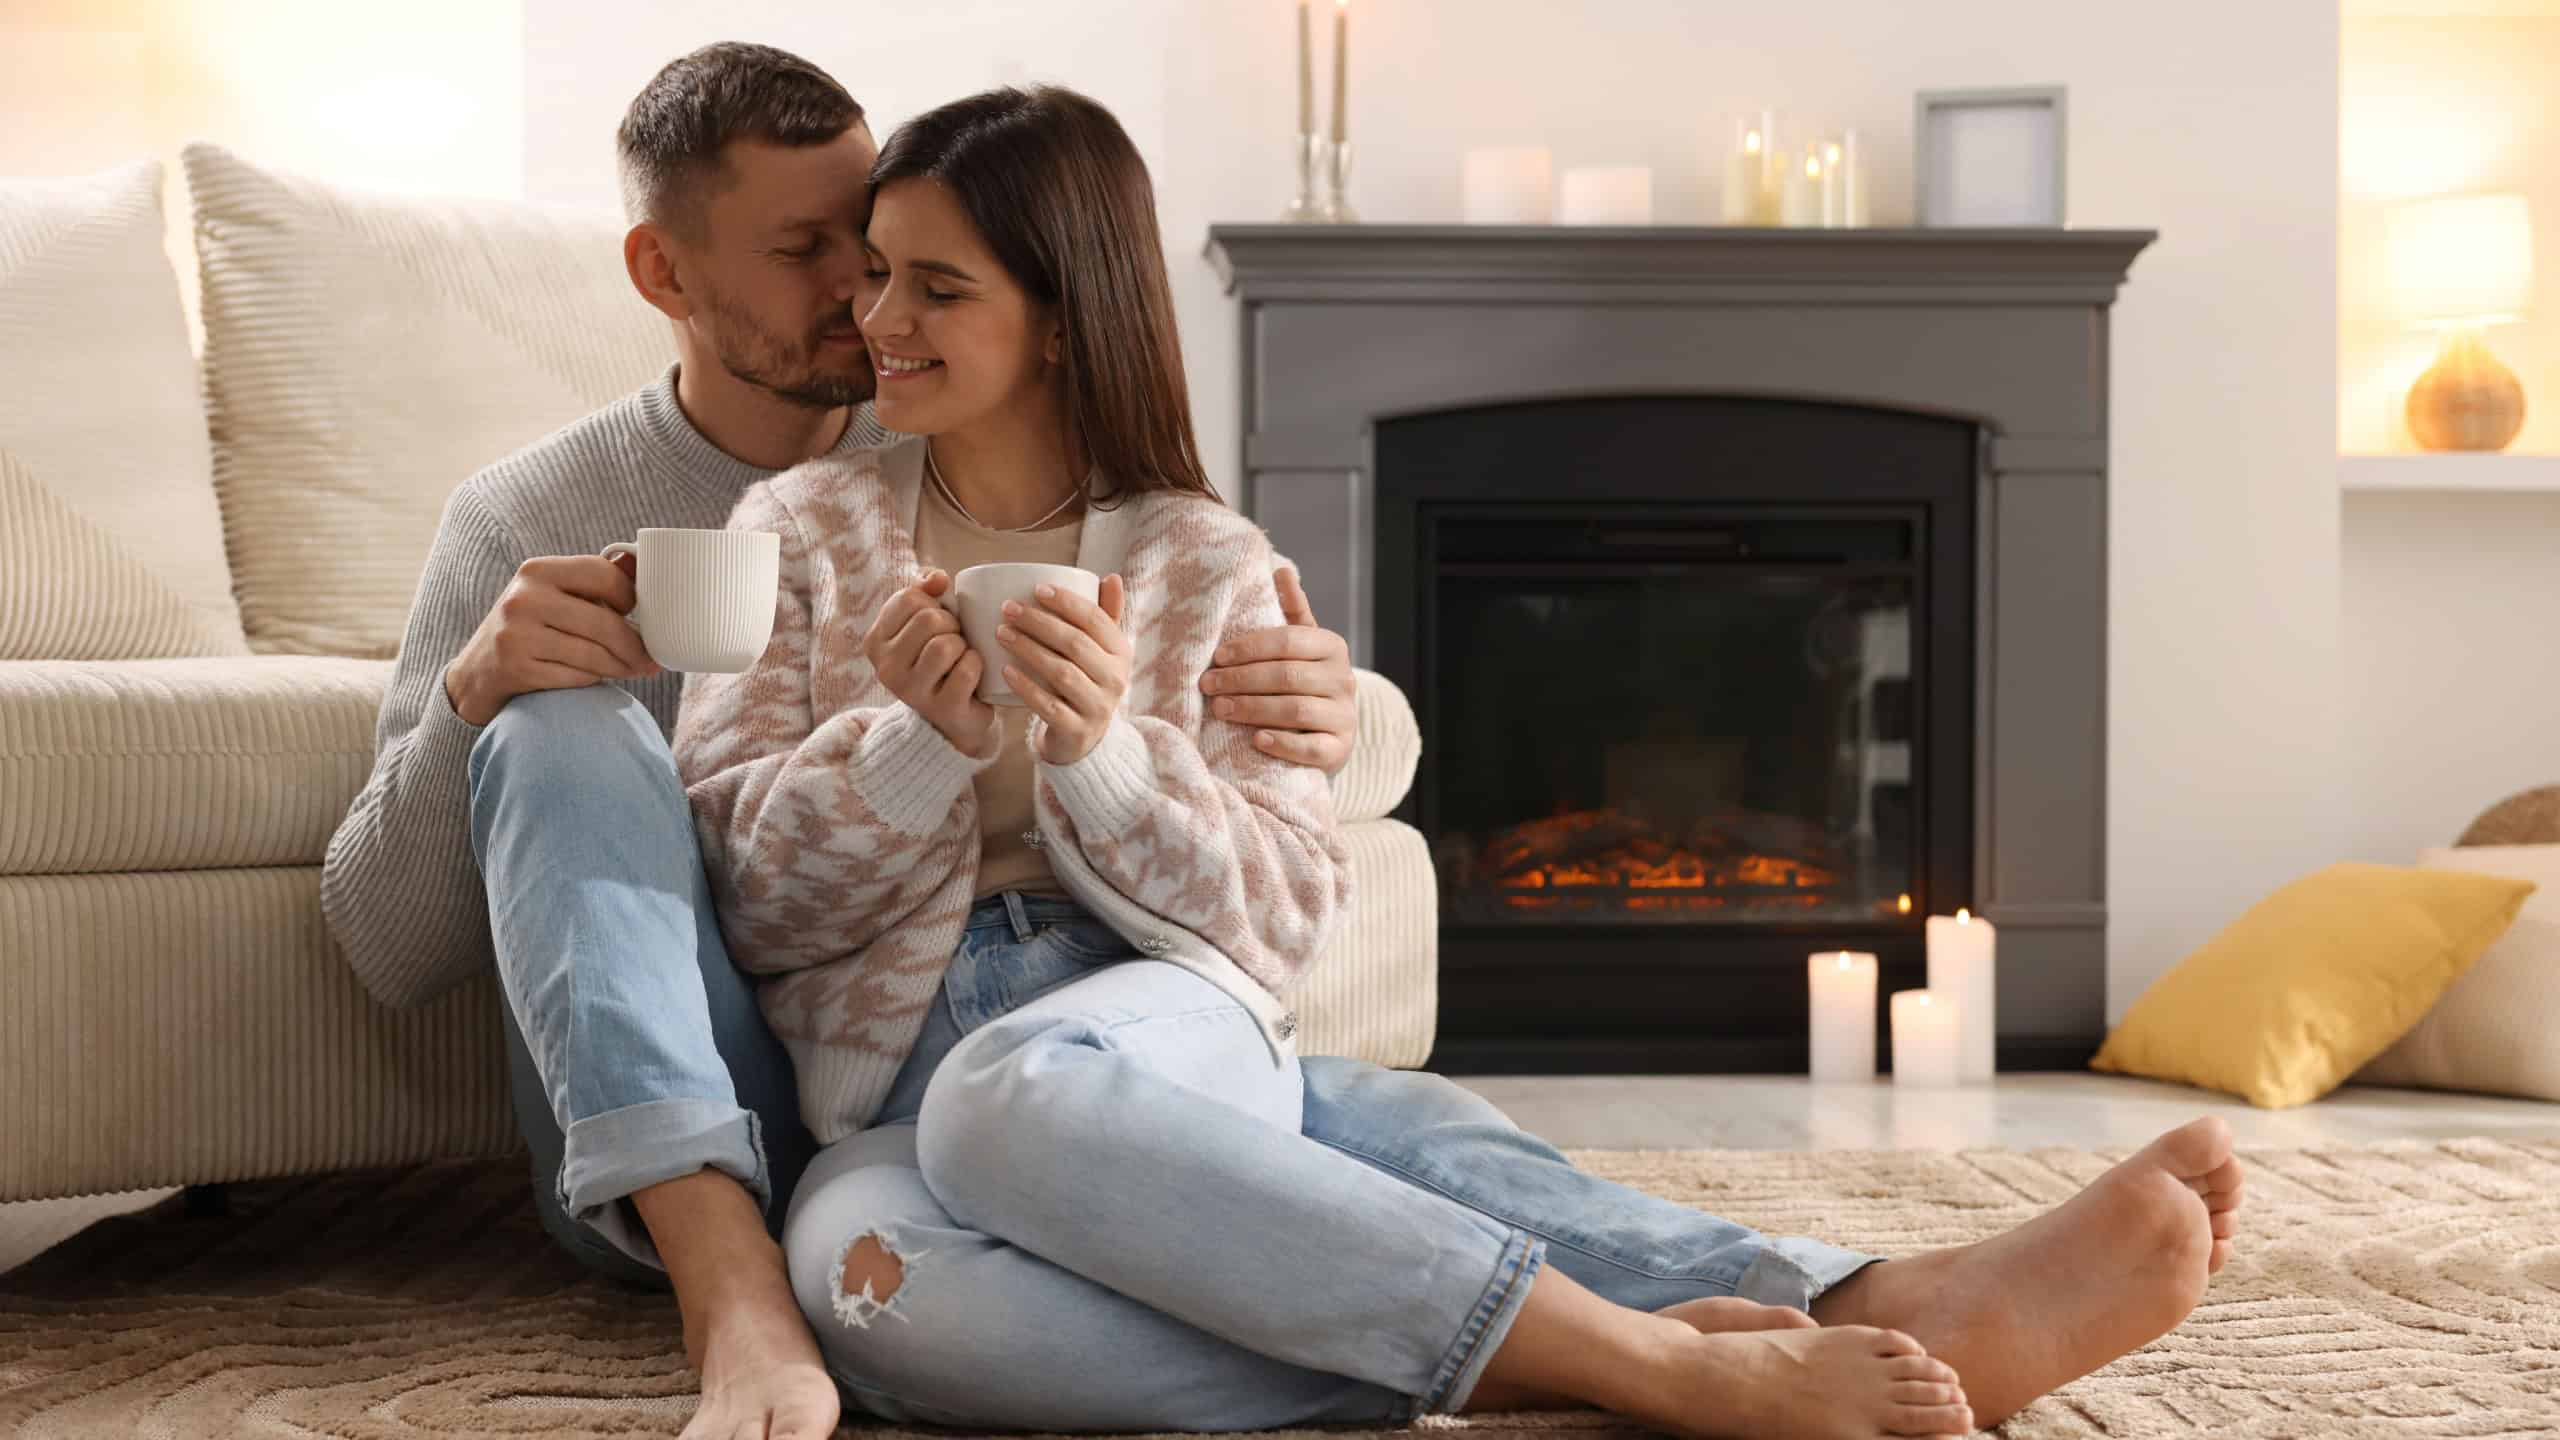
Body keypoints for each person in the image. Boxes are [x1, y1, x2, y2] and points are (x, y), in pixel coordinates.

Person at [668, 79, 2248, 1440]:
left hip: (1148, 1020)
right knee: (890, 1315)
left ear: (1065, 315)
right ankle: (1624, 1360)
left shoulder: (1208, 565)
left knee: (1015, 1103)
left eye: (934, 288)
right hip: (888, 1096)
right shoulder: (797, 536)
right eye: (875, 275)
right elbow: (746, 902)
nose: (876, 321)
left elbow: (1279, 923)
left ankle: (1843, 1307)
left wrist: (1102, 760)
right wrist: (908, 749)